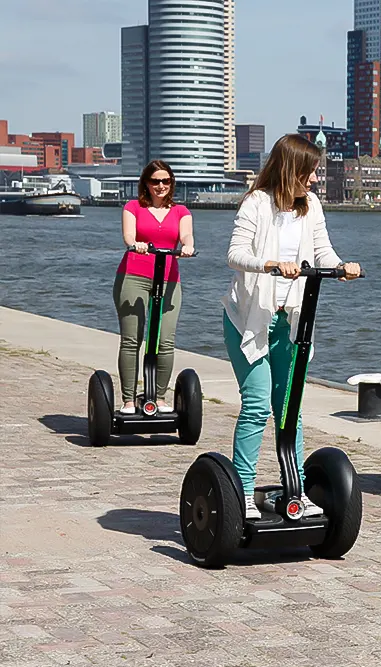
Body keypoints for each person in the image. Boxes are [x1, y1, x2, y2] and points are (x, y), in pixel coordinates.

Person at [222, 134, 361, 520]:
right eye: (310, 172)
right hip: (250, 320)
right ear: (290, 170)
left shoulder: (310, 205)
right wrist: (269, 264)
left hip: (290, 320)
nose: (314, 180)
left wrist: (340, 267)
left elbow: (322, 250)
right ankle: (244, 493)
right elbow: (235, 254)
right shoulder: (256, 204)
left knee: (290, 407)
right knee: (255, 405)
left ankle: (293, 489)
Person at [115, 160, 194, 413]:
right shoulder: (133, 207)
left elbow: (186, 235)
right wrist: (135, 243)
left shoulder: (181, 211)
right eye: (155, 181)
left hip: (169, 279)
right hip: (134, 275)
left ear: (171, 183)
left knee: (165, 340)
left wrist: (188, 246)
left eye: (166, 181)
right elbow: (128, 235)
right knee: (131, 340)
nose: (160, 186)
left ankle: (159, 398)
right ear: (146, 183)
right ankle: (128, 400)